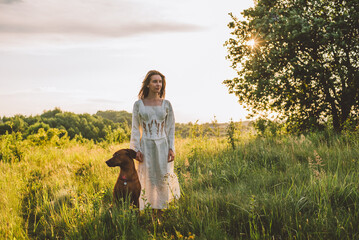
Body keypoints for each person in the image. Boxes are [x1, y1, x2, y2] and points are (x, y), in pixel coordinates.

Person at [130, 70, 180, 213]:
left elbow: (170, 128)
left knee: (163, 178)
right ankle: (148, 209)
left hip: (163, 145)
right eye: (155, 81)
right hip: (146, 145)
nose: (158, 84)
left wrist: (171, 148)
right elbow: (135, 129)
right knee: (148, 178)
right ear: (147, 84)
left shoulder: (166, 104)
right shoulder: (138, 104)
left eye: (160, 82)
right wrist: (136, 150)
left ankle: (162, 211)